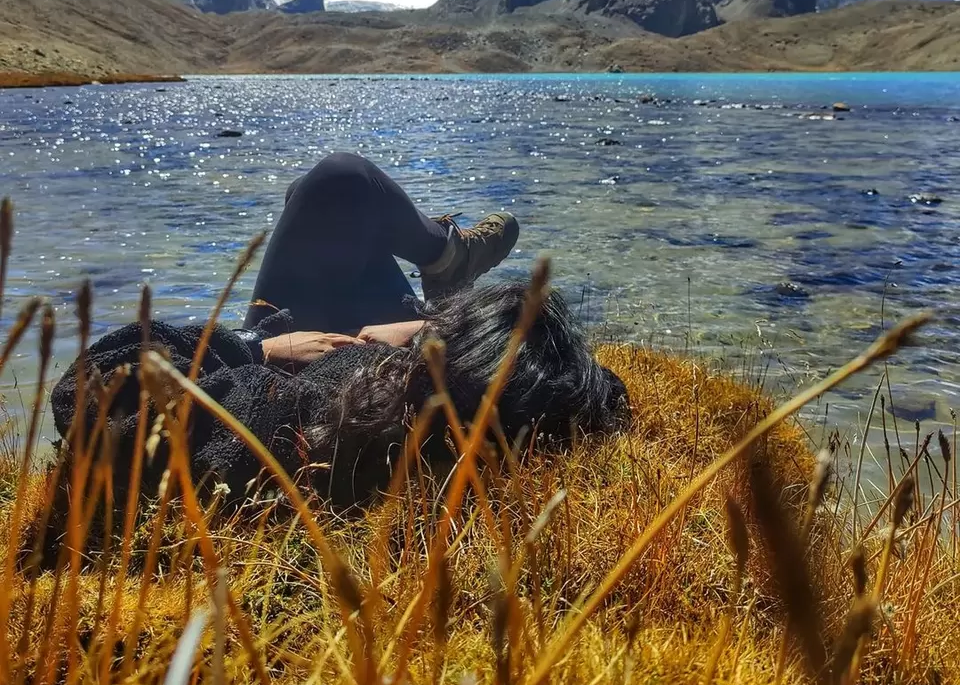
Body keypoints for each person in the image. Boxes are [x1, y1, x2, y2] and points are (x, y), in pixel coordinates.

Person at [51, 153, 630, 511]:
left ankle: (445, 260)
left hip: (288, 347)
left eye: (436, 338)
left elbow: (93, 393)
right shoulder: (407, 416)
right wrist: (421, 333)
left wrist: (263, 347)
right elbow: (605, 392)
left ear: (411, 373)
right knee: (333, 205)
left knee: (333, 185)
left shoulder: (277, 422)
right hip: (368, 359)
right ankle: (446, 269)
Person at [241, 151, 521, 367]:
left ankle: (449, 259)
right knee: (341, 182)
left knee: (322, 203)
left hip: (245, 365)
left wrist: (251, 347)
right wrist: (260, 350)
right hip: (263, 389)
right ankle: (449, 258)